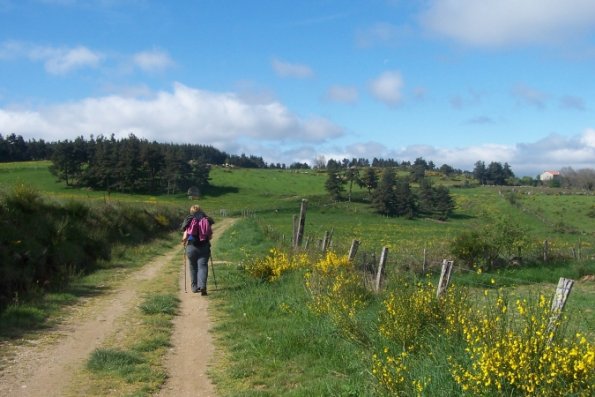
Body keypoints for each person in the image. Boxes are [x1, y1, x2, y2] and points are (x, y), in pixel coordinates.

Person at [181, 204, 213, 295]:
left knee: (193, 267)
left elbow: (184, 237)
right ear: (200, 211)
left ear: (191, 212)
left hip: (191, 247)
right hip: (204, 247)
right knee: (202, 266)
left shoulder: (189, 220)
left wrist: (184, 242)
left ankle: (194, 288)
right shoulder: (206, 220)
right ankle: (202, 286)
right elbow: (210, 236)